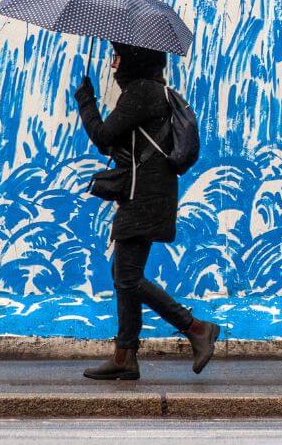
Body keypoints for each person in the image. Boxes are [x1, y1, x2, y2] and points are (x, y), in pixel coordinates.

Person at [74, 42, 220, 381]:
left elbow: (102, 135)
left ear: (136, 60)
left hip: (144, 196)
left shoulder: (141, 92)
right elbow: (120, 142)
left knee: (127, 277)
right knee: (124, 275)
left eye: (118, 57)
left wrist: (86, 102)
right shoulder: (154, 93)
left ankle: (196, 328)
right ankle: (124, 357)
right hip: (149, 192)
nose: (113, 65)